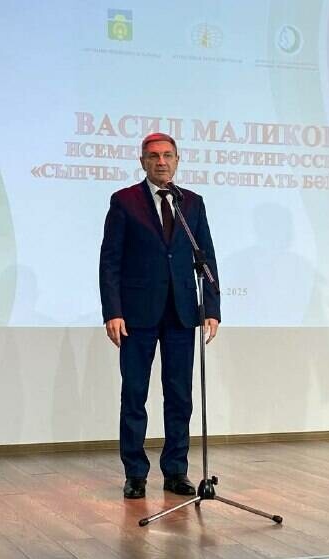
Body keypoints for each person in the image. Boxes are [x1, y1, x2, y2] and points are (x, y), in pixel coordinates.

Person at [99, 132, 220, 499]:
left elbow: (205, 256)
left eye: (168, 155)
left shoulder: (192, 203)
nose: (161, 162)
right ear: (143, 162)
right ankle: (135, 473)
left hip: (182, 313)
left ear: (177, 160)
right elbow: (110, 261)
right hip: (136, 315)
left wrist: (212, 308)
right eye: (154, 156)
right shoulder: (124, 201)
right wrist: (113, 311)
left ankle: (176, 470)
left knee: (180, 395)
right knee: (135, 394)